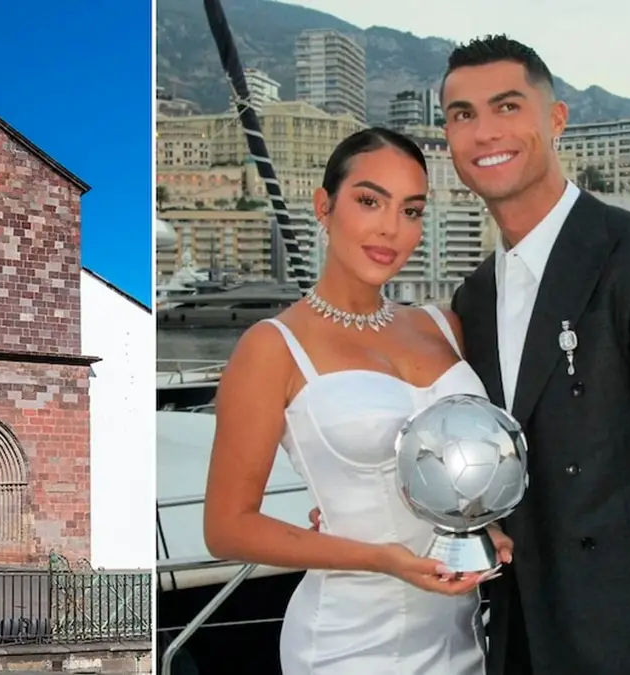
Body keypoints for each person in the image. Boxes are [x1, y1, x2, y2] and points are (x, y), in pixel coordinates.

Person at [311, 35, 630, 675]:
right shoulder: (476, 296)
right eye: (462, 115)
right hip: (515, 636)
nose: (485, 132)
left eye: (507, 106)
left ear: (556, 119)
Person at [203, 126, 513, 675]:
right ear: (324, 206)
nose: (391, 229)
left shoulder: (444, 326)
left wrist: (481, 523)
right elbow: (227, 527)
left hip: (459, 634)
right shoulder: (273, 348)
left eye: (411, 210)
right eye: (370, 201)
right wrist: (379, 558)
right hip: (348, 643)